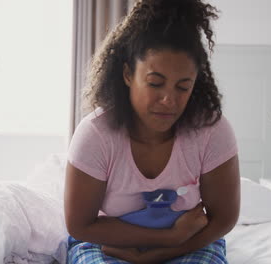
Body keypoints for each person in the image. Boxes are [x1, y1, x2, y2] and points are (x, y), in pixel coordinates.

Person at [64, 0, 240, 263]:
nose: (169, 100)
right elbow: (80, 226)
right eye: (155, 83)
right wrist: (168, 238)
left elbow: (223, 218)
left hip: (191, 241)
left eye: (183, 87)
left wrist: (165, 253)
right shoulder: (95, 135)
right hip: (108, 242)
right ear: (127, 74)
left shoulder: (211, 130)